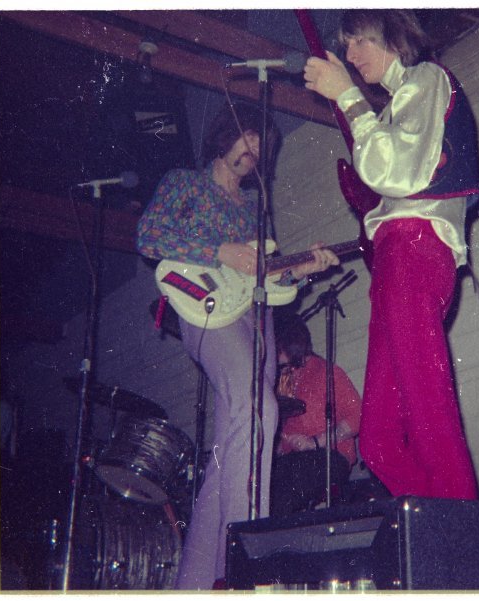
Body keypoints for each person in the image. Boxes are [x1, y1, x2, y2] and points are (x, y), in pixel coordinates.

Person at [136, 102, 339, 589]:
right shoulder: (185, 183)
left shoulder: (254, 207)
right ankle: (247, 559)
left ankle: (196, 584)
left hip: (256, 318)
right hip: (207, 310)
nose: (254, 150)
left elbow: (267, 276)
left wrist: (302, 269)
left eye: (262, 145)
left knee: (232, 447)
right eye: (248, 137)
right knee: (258, 410)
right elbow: (149, 236)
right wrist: (219, 251)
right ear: (225, 136)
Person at [303, 10, 479, 500]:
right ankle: (440, 520)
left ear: (393, 36)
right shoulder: (394, 109)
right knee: (378, 442)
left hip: (415, 249)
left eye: (359, 41)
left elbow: (398, 171)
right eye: (346, 45)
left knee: (428, 413)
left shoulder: (427, 79)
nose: (350, 54)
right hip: (392, 256)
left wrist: (347, 97)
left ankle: (461, 531)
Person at [270, 313, 362, 516]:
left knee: (284, 484)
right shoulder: (282, 380)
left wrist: (314, 442)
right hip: (294, 461)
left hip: (330, 456)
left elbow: (357, 416)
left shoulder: (326, 372)